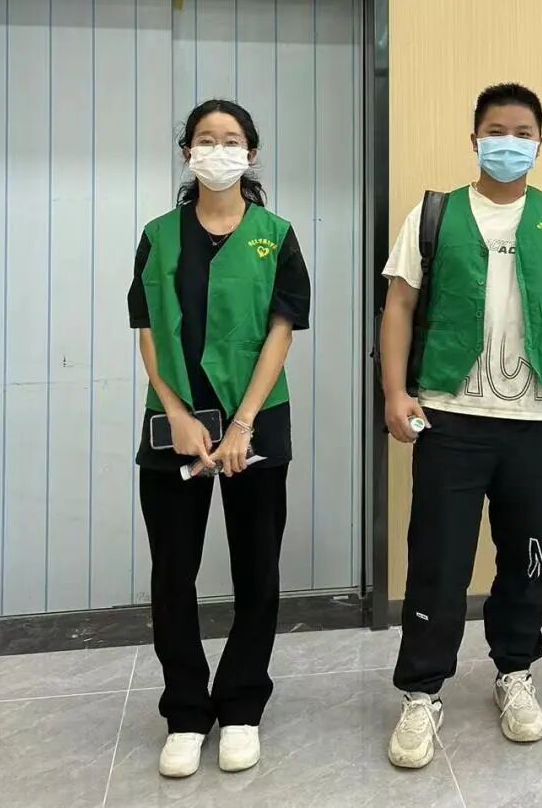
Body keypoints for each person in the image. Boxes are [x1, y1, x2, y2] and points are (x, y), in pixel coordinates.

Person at [381, 83, 542, 769]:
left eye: (523, 132)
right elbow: (399, 306)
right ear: (474, 138)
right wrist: (394, 391)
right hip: (448, 417)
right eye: (496, 131)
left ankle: (515, 671)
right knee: (438, 558)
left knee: (528, 557)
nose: (509, 142)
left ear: (540, 143)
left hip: (535, 421)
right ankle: (422, 690)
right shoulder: (435, 213)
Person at [127, 99, 311, 778]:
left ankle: (240, 705)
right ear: (188, 153)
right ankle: (184, 711)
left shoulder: (276, 235)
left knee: (256, 569)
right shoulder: (158, 235)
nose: (218, 150)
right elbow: (147, 329)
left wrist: (242, 424)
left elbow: (282, 331)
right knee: (173, 572)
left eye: (231, 140)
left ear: (250, 154)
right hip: (173, 424)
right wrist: (177, 411)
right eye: (205, 139)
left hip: (255, 421)